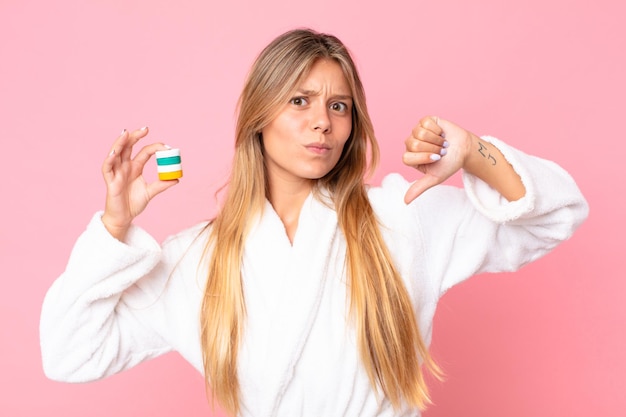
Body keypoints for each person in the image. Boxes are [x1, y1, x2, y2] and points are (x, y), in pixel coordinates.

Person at [40, 28, 589, 417]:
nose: (322, 123)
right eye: (299, 100)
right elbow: (69, 355)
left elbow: (554, 215)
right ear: (259, 117)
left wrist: (473, 153)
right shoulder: (197, 259)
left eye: (340, 106)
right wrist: (115, 225)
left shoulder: (401, 219)